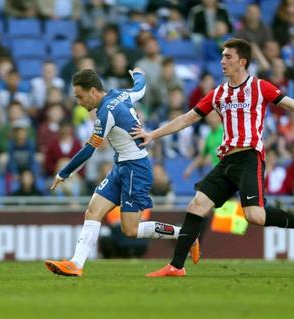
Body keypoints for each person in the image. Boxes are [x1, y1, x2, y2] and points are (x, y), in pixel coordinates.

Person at [131, 38, 294, 277]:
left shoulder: (260, 87)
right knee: (196, 205)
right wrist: (153, 134)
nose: (222, 61)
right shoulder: (218, 93)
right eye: (221, 56)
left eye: (228, 57)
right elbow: (187, 118)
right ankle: (176, 266)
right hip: (226, 161)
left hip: (250, 158)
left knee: (254, 216)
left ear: (243, 61)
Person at [44, 68, 200, 277]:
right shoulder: (120, 94)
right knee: (93, 211)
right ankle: (76, 264)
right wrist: (138, 73)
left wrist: (63, 173)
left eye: (80, 96)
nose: (79, 102)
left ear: (93, 91)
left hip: (136, 169)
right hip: (121, 166)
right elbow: (140, 88)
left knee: (130, 229)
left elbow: (90, 149)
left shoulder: (105, 112)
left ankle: (185, 234)